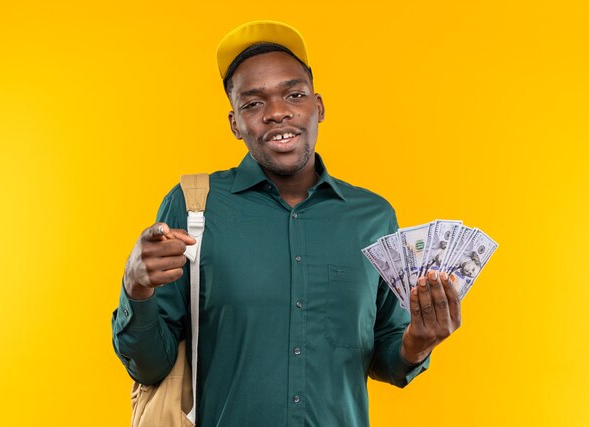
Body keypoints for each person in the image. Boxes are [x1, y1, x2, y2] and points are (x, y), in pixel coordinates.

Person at [112, 20, 461, 426]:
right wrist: (136, 291)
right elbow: (150, 367)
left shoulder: (373, 217)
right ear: (234, 124)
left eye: (294, 94)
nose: (277, 112)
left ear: (319, 107)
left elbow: (385, 358)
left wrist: (417, 343)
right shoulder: (193, 208)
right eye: (253, 103)